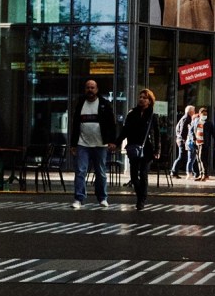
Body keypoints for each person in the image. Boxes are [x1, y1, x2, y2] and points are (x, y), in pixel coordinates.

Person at [67, 79, 119, 208]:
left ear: (97, 89)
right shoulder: (80, 104)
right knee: (80, 171)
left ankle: (102, 197)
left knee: (100, 172)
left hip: (100, 144)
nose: (90, 90)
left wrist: (112, 141)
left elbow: (111, 124)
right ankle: (79, 198)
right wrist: (73, 144)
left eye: (92, 88)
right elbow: (75, 125)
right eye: (88, 88)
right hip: (82, 143)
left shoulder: (104, 104)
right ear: (85, 90)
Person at [120, 88, 163, 211]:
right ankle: (141, 195)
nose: (142, 99)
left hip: (148, 149)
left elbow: (157, 134)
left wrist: (157, 150)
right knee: (134, 177)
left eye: (145, 98)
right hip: (134, 148)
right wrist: (117, 143)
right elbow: (125, 130)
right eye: (140, 97)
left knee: (143, 174)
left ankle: (141, 200)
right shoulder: (132, 113)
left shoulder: (153, 116)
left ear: (149, 101)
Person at [171, 105, 196, 178]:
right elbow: (182, 131)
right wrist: (185, 140)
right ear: (190, 112)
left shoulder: (185, 118)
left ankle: (175, 171)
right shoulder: (186, 119)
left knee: (184, 157)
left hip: (181, 140)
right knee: (181, 157)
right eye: (193, 111)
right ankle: (174, 171)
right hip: (182, 141)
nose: (194, 112)